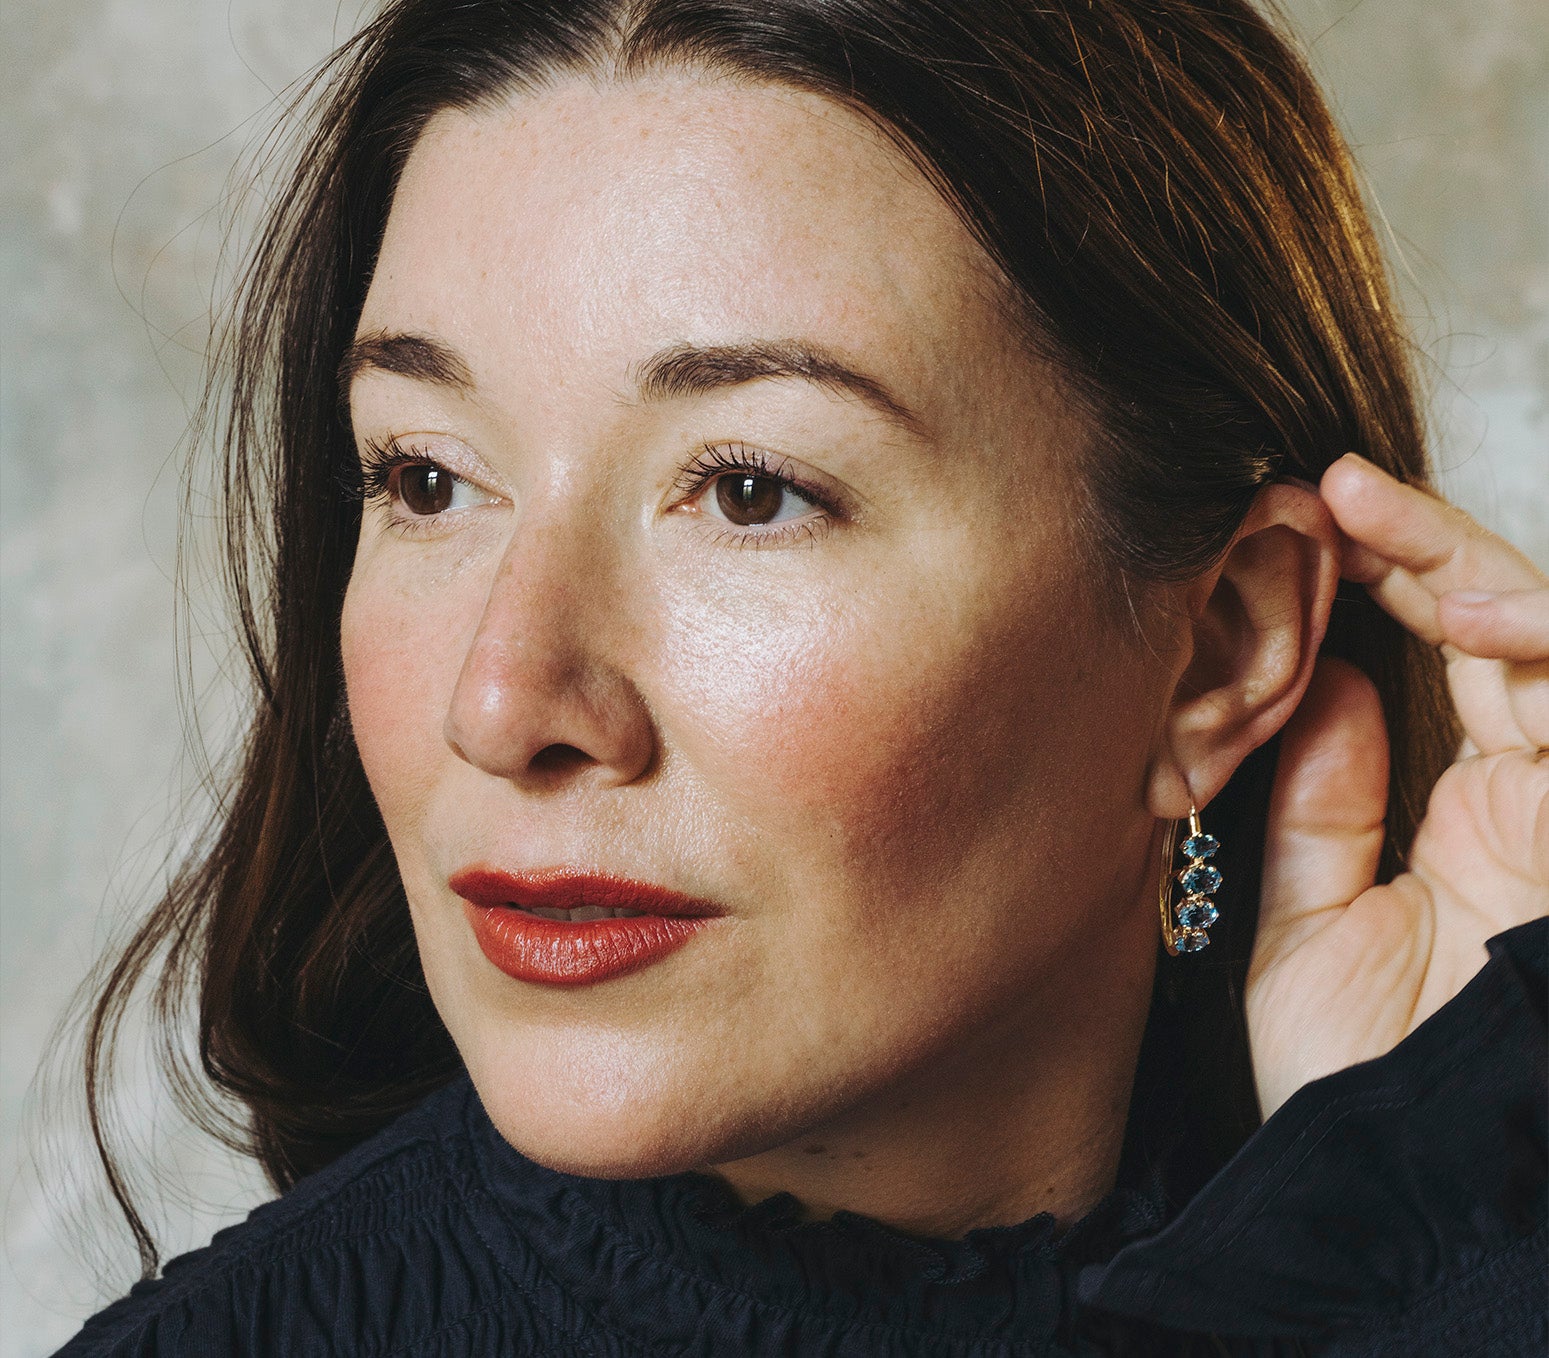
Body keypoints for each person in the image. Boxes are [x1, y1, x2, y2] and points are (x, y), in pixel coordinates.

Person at [56, 0, 1547, 1353]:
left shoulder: (1443, 1247)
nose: (500, 703)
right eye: (426, 479)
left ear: (1216, 648)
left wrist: (1436, 1206)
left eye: (750, 491)